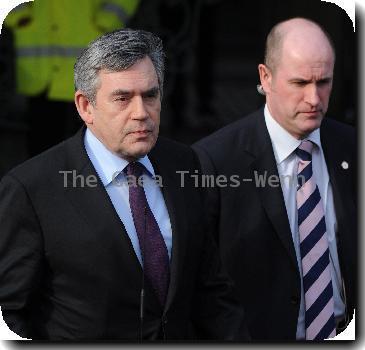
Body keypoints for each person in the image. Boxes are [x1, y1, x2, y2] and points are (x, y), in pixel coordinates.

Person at [0, 29, 248, 341]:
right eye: (122, 98)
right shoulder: (30, 189)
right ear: (85, 106)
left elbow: (210, 288)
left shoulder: (183, 163)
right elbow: (10, 312)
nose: (141, 113)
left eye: (150, 95)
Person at [193, 17, 356, 341]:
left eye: (323, 81)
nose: (314, 98)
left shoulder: (352, 147)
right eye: (299, 83)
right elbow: (201, 285)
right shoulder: (215, 162)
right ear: (265, 78)